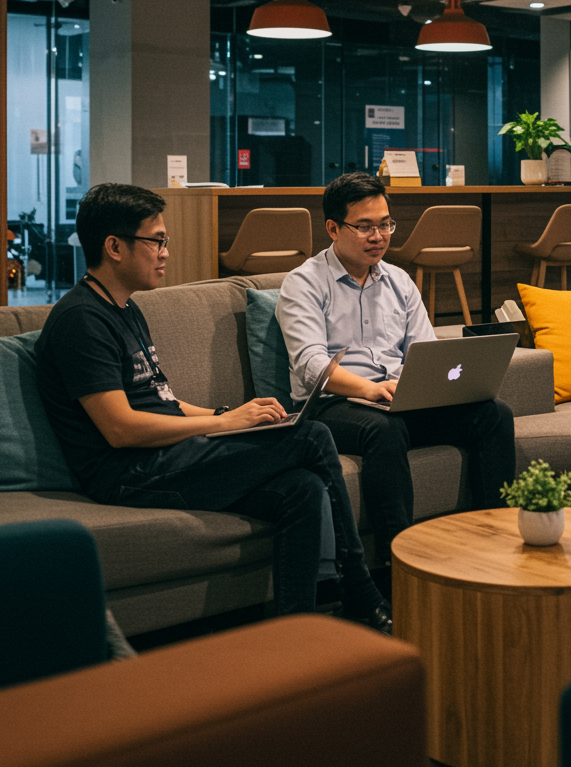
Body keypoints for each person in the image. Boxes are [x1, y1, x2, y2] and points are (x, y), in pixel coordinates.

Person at [35, 183, 390, 631]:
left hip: (165, 457)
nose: (166, 251)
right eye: (157, 240)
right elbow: (120, 428)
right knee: (313, 435)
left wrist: (230, 415)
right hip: (128, 474)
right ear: (114, 247)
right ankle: (358, 585)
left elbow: (165, 402)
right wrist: (226, 426)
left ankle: (296, 633)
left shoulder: (126, 309)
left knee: (300, 487)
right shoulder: (81, 320)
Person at [276, 172, 516, 573]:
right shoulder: (304, 283)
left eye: (385, 224)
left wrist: (438, 383)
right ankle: (396, 568)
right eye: (365, 226)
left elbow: (424, 352)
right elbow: (311, 366)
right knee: (385, 430)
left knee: (493, 414)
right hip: (332, 407)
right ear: (333, 228)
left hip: (397, 398)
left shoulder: (399, 280)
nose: (379, 236)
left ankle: (496, 540)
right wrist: (370, 390)